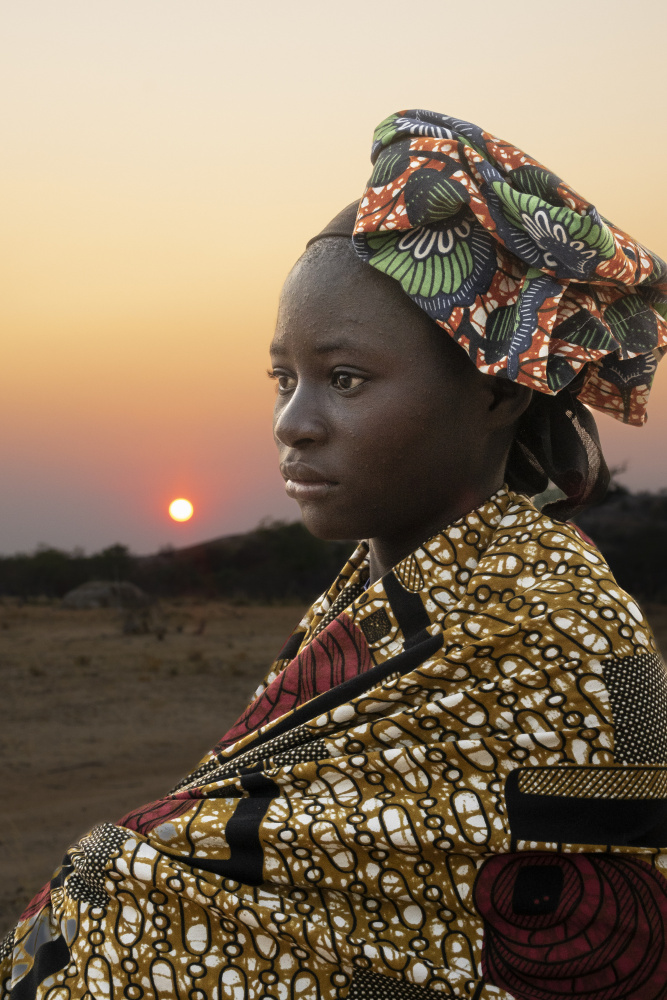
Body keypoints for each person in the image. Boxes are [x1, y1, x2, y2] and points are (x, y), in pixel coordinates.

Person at [3, 109, 667, 1000]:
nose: (293, 423)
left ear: (497, 389)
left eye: (344, 379)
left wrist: (130, 897)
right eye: (284, 379)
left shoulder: (545, 619)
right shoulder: (372, 595)